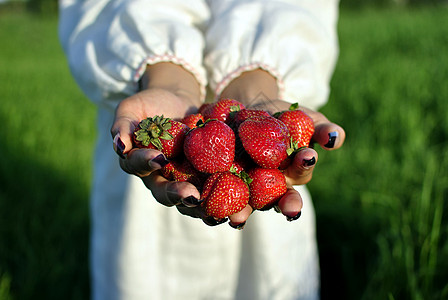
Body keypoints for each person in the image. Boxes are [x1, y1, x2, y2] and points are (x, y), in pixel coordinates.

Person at [59, 0, 345, 299]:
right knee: (143, 269)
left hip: (257, 161)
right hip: (154, 127)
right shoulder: (182, 135)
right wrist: (167, 77)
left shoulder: (254, 131)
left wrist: (256, 81)